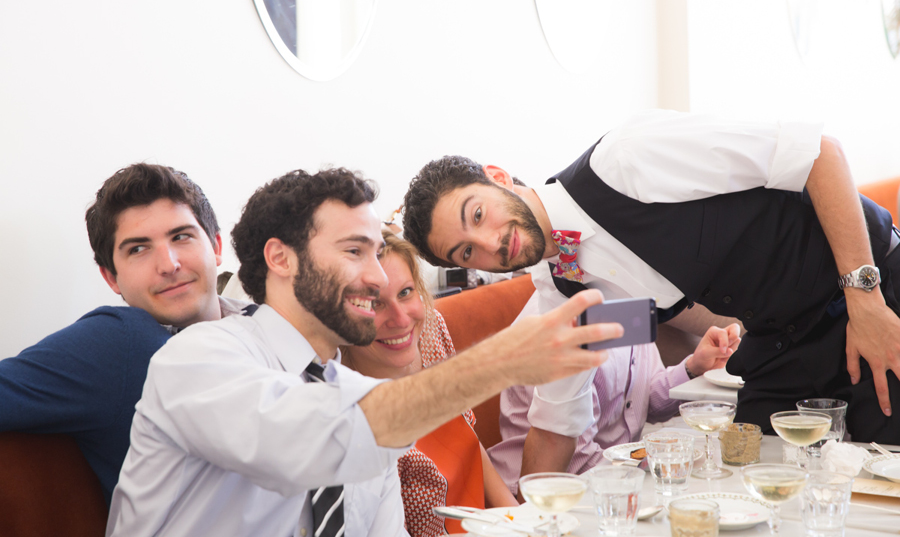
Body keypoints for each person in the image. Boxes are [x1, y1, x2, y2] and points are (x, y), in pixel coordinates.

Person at [106, 168, 620, 537]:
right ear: (280, 258)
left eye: (377, 252)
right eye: (354, 251)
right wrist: (501, 362)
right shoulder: (198, 360)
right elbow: (320, 436)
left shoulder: (352, 393)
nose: (376, 277)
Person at [401, 108, 900, 448]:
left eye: (478, 214)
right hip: (783, 343)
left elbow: (818, 153)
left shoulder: (625, 160)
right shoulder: (566, 288)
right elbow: (557, 422)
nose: (489, 244)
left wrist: (867, 303)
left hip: (868, 291)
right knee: (743, 478)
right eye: (466, 252)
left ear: (498, 177)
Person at [0, 163, 250, 507]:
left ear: (216, 245)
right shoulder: (124, 344)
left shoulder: (269, 324)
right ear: (111, 278)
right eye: (138, 249)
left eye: (181, 236)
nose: (169, 264)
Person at [341, 229, 517, 535]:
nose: (401, 319)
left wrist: (520, 520)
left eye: (406, 292)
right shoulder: (350, 415)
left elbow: (468, 438)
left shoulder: (431, 334)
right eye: (375, 304)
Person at [487, 291, 740, 493]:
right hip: (547, 495)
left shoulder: (623, 300)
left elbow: (644, 401)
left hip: (612, 478)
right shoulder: (560, 326)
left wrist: (693, 367)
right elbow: (578, 462)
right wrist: (663, 460)